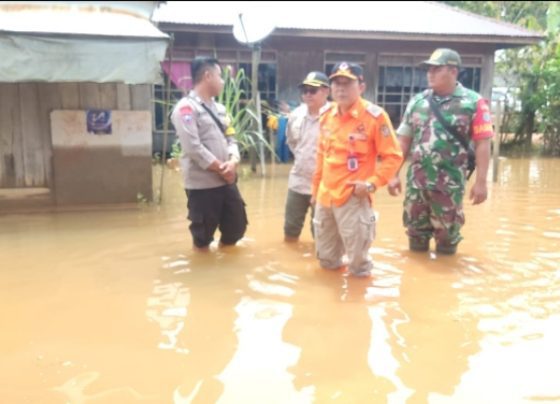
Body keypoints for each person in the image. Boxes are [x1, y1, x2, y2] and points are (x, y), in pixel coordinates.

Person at [388, 48, 493, 255]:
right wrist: (392, 174)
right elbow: (403, 141)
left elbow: (483, 144)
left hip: (449, 187)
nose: (430, 73)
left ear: (453, 71)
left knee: (447, 242)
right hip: (416, 185)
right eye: (429, 69)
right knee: (415, 238)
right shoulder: (418, 102)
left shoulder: (474, 103)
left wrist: (481, 182)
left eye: (436, 69)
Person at [312, 62, 403, 277]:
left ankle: (357, 306)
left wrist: (372, 184)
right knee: (326, 260)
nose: (341, 88)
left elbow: (393, 156)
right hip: (325, 197)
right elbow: (321, 157)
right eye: (336, 83)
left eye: (347, 83)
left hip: (353, 197)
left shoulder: (374, 117)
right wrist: (314, 192)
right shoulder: (326, 114)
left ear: (361, 87)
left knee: (359, 266)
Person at [170, 57, 248, 251]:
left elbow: (231, 137)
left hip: (227, 180)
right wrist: (220, 168)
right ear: (208, 76)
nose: (222, 81)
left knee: (237, 226)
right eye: (220, 76)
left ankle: (224, 265)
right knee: (203, 236)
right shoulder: (186, 109)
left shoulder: (220, 109)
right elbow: (192, 147)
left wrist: (233, 161)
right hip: (202, 185)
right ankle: (203, 272)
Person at [284, 71, 330, 243]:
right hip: (298, 179)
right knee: (290, 228)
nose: (307, 95)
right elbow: (292, 142)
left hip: (324, 183)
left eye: (313, 90)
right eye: (304, 91)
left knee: (320, 232)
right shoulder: (296, 115)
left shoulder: (335, 116)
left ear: (326, 91)